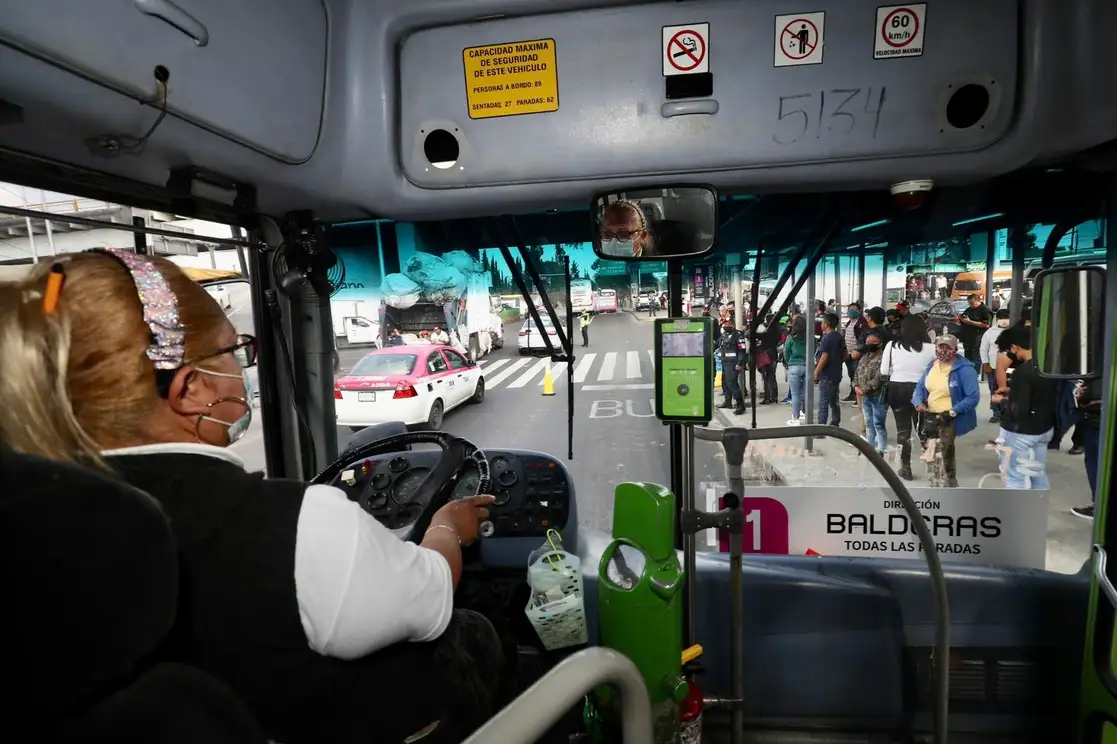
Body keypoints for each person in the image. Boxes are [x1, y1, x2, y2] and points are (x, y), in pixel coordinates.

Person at [0, 250, 507, 744]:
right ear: (191, 389)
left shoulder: (40, 523)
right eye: (234, 352)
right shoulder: (295, 524)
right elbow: (433, 595)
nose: (242, 368)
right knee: (477, 631)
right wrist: (446, 529)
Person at [991, 327, 1058, 489]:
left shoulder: (1022, 372)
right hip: (1044, 429)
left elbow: (1019, 409)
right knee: (1037, 473)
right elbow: (1040, 394)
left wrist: (1002, 400)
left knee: (1014, 478)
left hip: (1022, 433)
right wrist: (1012, 392)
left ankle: (1017, 506)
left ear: (1015, 347)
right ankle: (1038, 503)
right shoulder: (1048, 367)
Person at [912, 334, 981, 487]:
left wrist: (952, 412)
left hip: (949, 416)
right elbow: (920, 387)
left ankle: (949, 481)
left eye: (947, 348)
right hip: (930, 414)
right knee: (929, 448)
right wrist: (917, 402)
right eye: (940, 347)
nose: (943, 351)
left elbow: (973, 397)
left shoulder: (965, 370)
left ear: (955, 349)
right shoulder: (932, 365)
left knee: (944, 448)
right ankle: (934, 480)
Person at [881, 315, 937, 481]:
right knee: (925, 430)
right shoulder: (932, 348)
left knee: (903, 430)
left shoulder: (892, 346)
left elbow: (884, 371)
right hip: (923, 391)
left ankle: (906, 468)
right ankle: (932, 468)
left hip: (898, 389)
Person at [1071, 378, 1104, 520]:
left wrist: (1082, 394)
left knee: (1095, 463)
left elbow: (1093, 397)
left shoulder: (1101, 372)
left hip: (1097, 422)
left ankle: (1099, 506)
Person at [853, 328, 888, 456]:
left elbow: (879, 378)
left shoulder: (883, 359)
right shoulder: (864, 357)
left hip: (877, 396)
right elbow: (857, 373)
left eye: (873, 342)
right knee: (868, 422)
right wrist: (855, 386)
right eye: (868, 342)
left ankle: (881, 449)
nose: (870, 344)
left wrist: (864, 389)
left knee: (878, 423)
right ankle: (870, 447)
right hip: (865, 396)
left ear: (880, 344)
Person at [979, 309, 1011, 423]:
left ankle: (1007, 413)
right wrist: (986, 364)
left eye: (1006, 318)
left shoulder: (1014, 331)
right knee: (994, 391)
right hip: (993, 367)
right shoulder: (990, 332)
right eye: (1002, 319)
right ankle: (996, 413)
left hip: (1010, 368)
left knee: (1009, 390)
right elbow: (983, 349)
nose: (1004, 321)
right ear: (997, 319)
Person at [813, 312, 843, 427]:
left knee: (823, 402)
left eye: (823, 322)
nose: (821, 324)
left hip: (827, 374)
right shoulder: (839, 336)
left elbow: (824, 357)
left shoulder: (826, 338)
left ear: (827, 324)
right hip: (837, 373)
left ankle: (821, 427)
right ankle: (835, 422)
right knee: (834, 399)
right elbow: (845, 355)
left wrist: (816, 371)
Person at [783, 316, 808, 426]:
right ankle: (806, 413)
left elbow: (786, 353)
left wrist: (789, 363)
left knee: (795, 394)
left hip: (794, 366)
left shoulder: (790, 338)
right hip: (807, 366)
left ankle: (796, 418)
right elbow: (815, 350)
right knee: (806, 393)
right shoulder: (810, 337)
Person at [718, 319, 745, 415]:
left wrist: (739, 363)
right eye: (725, 324)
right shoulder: (724, 335)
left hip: (733, 364)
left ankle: (740, 405)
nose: (726, 325)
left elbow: (742, 351)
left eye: (729, 323)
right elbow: (718, 345)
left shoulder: (738, 335)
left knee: (732, 384)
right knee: (725, 383)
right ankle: (727, 402)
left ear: (733, 324)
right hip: (724, 362)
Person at [958, 293, 992, 369]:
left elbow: (986, 325)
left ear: (978, 301)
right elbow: (964, 318)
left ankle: (975, 372)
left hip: (978, 337)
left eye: (972, 303)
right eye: (969, 303)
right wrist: (961, 319)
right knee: (967, 356)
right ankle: (968, 370)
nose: (970, 305)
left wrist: (970, 322)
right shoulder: (969, 309)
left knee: (976, 357)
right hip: (967, 337)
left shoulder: (985, 310)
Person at [841, 302, 866, 402]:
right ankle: (852, 394)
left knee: (857, 375)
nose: (851, 312)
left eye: (853, 310)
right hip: (848, 353)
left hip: (857, 354)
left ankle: (858, 398)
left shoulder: (862, 323)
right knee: (851, 374)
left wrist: (859, 351)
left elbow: (863, 338)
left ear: (859, 311)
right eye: (849, 310)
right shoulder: (849, 322)